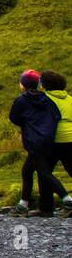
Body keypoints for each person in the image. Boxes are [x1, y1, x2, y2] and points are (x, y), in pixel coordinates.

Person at [9, 69, 64, 215]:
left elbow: (13, 117)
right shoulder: (46, 98)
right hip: (47, 139)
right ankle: (23, 204)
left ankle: (66, 198)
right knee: (28, 170)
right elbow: (56, 115)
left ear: (23, 84)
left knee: (44, 172)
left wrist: (26, 123)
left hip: (33, 140)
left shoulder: (21, 99)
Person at [39, 71, 72, 210]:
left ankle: (46, 207)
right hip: (70, 137)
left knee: (44, 171)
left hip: (53, 138)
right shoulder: (69, 98)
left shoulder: (44, 98)